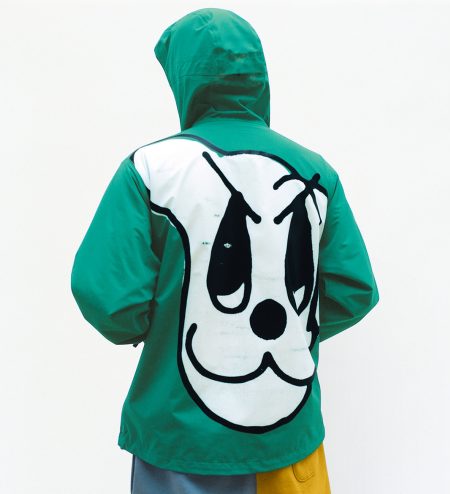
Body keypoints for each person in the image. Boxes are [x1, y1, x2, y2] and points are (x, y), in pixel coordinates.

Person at [70, 7, 379, 493]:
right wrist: (295, 331)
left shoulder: (149, 170)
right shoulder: (315, 173)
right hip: (287, 441)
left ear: (183, 80)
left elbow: (106, 295)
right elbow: (353, 290)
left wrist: (163, 325)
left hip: (178, 444)